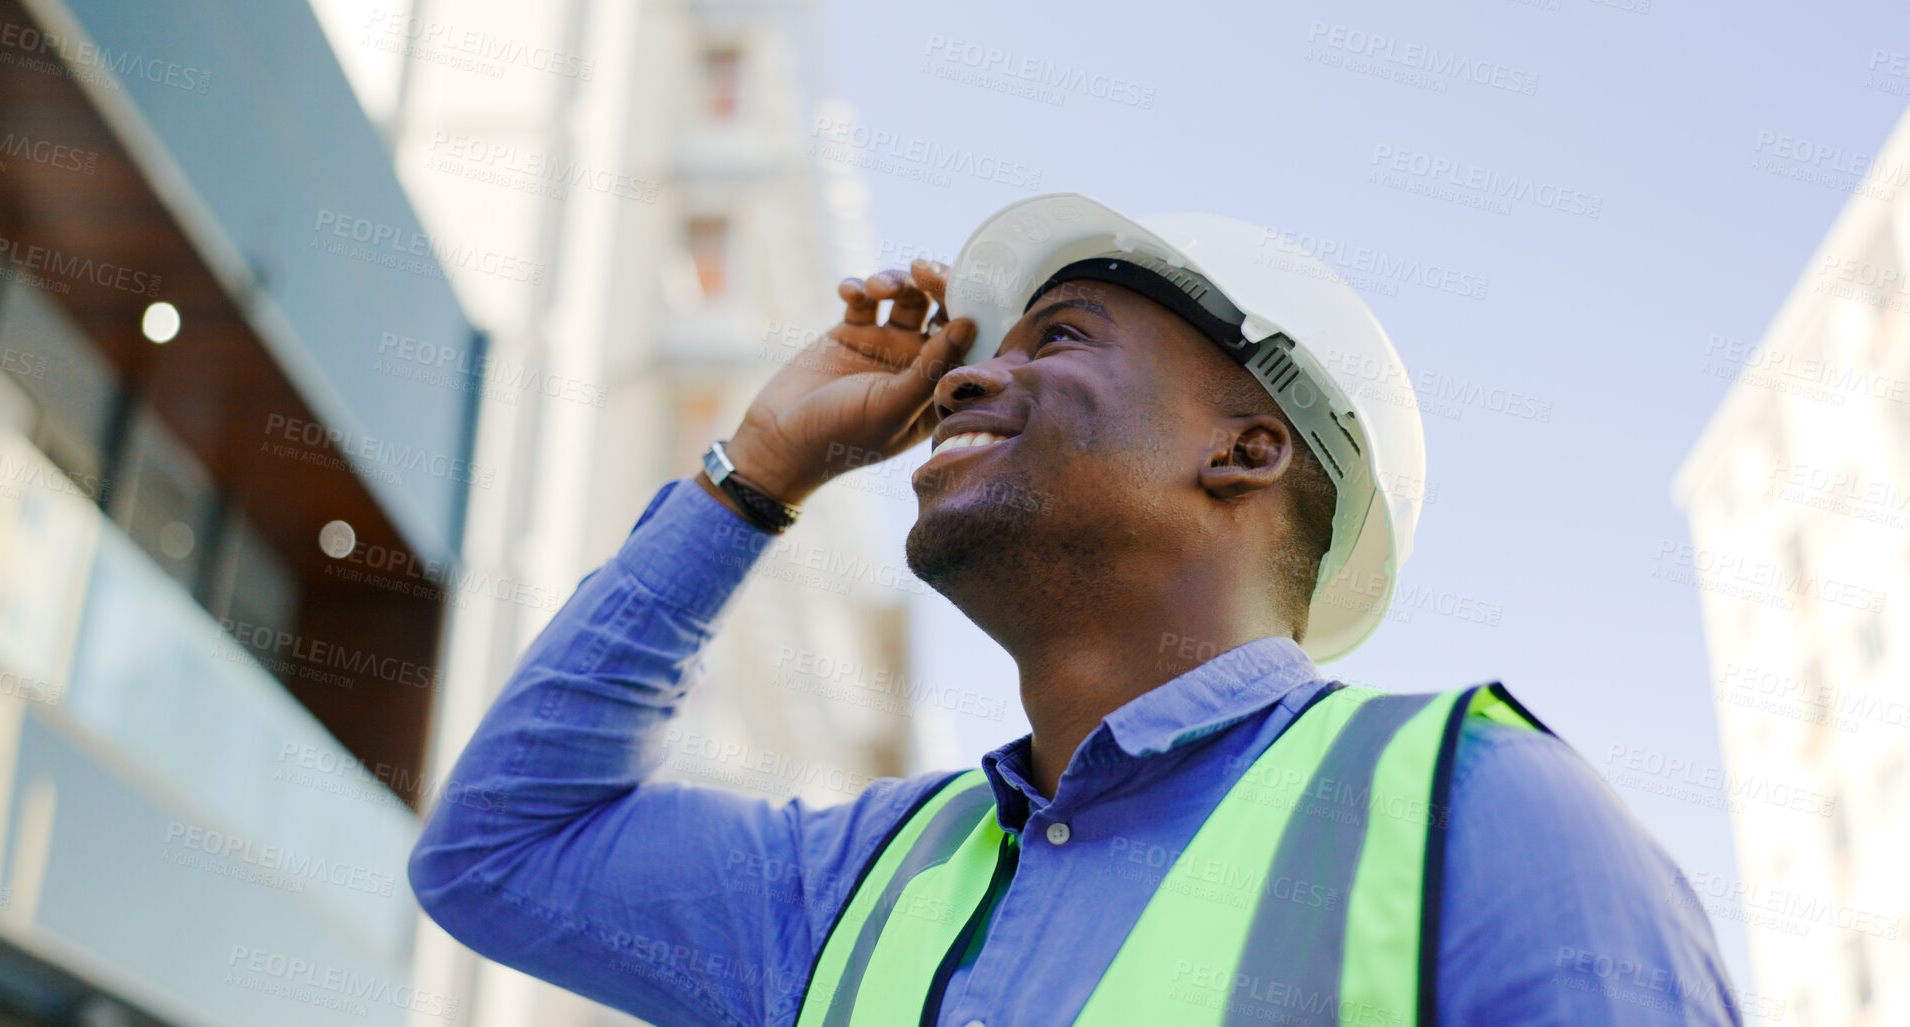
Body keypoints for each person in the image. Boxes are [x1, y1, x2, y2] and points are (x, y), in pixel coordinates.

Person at [409, 194, 1744, 1025]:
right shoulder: (858, 886)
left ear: (1248, 450)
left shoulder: (1478, 812)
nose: (963, 384)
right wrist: (758, 471)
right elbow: (500, 857)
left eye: (1057, 340)